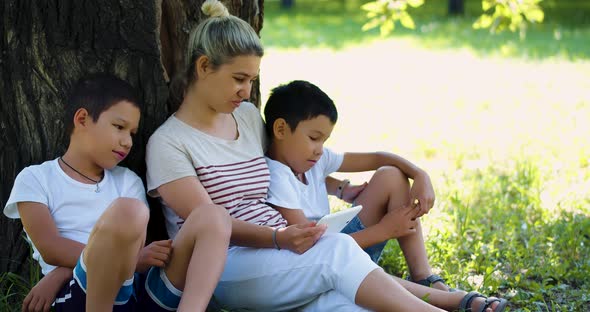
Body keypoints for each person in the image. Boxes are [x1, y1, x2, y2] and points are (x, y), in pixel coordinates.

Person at [145, 1, 508, 311]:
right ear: (204, 67)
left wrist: (335, 187)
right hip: (225, 266)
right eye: (239, 79)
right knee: (335, 252)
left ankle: (454, 300)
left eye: (252, 80)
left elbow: (285, 162)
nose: (247, 91)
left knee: (342, 300)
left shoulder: (245, 116)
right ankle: (446, 303)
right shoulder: (169, 143)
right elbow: (209, 224)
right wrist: (278, 238)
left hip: (284, 252)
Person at [3, 73, 231, 312]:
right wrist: (132, 260)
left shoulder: (127, 181)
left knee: (213, 215)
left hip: (133, 289)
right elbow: (50, 248)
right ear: (82, 119)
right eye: (119, 127)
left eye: (132, 133)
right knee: (128, 210)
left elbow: (132, 250)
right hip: (80, 293)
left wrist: (131, 261)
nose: (128, 142)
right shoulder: (36, 178)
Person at [263, 79, 450, 289]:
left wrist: (419, 174)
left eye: (324, 141)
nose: (320, 149)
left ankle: (423, 276)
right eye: (314, 138)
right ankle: (426, 291)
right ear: (280, 129)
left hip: (342, 242)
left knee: (391, 176)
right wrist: (384, 230)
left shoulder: (314, 161)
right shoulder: (276, 177)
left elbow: (379, 158)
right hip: (321, 263)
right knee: (330, 249)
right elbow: (313, 248)